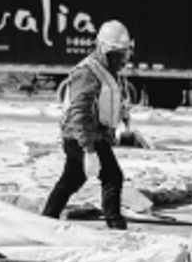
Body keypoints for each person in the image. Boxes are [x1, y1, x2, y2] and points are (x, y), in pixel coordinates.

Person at [42, 19, 135, 230]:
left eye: (124, 54)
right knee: (112, 176)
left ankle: (46, 220)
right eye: (118, 55)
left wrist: (123, 119)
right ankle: (116, 227)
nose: (122, 60)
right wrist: (89, 150)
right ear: (103, 49)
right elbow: (80, 112)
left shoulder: (107, 71)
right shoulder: (87, 72)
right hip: (81, 136)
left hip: (92, 135)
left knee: (72, 180)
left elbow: (107, 101)